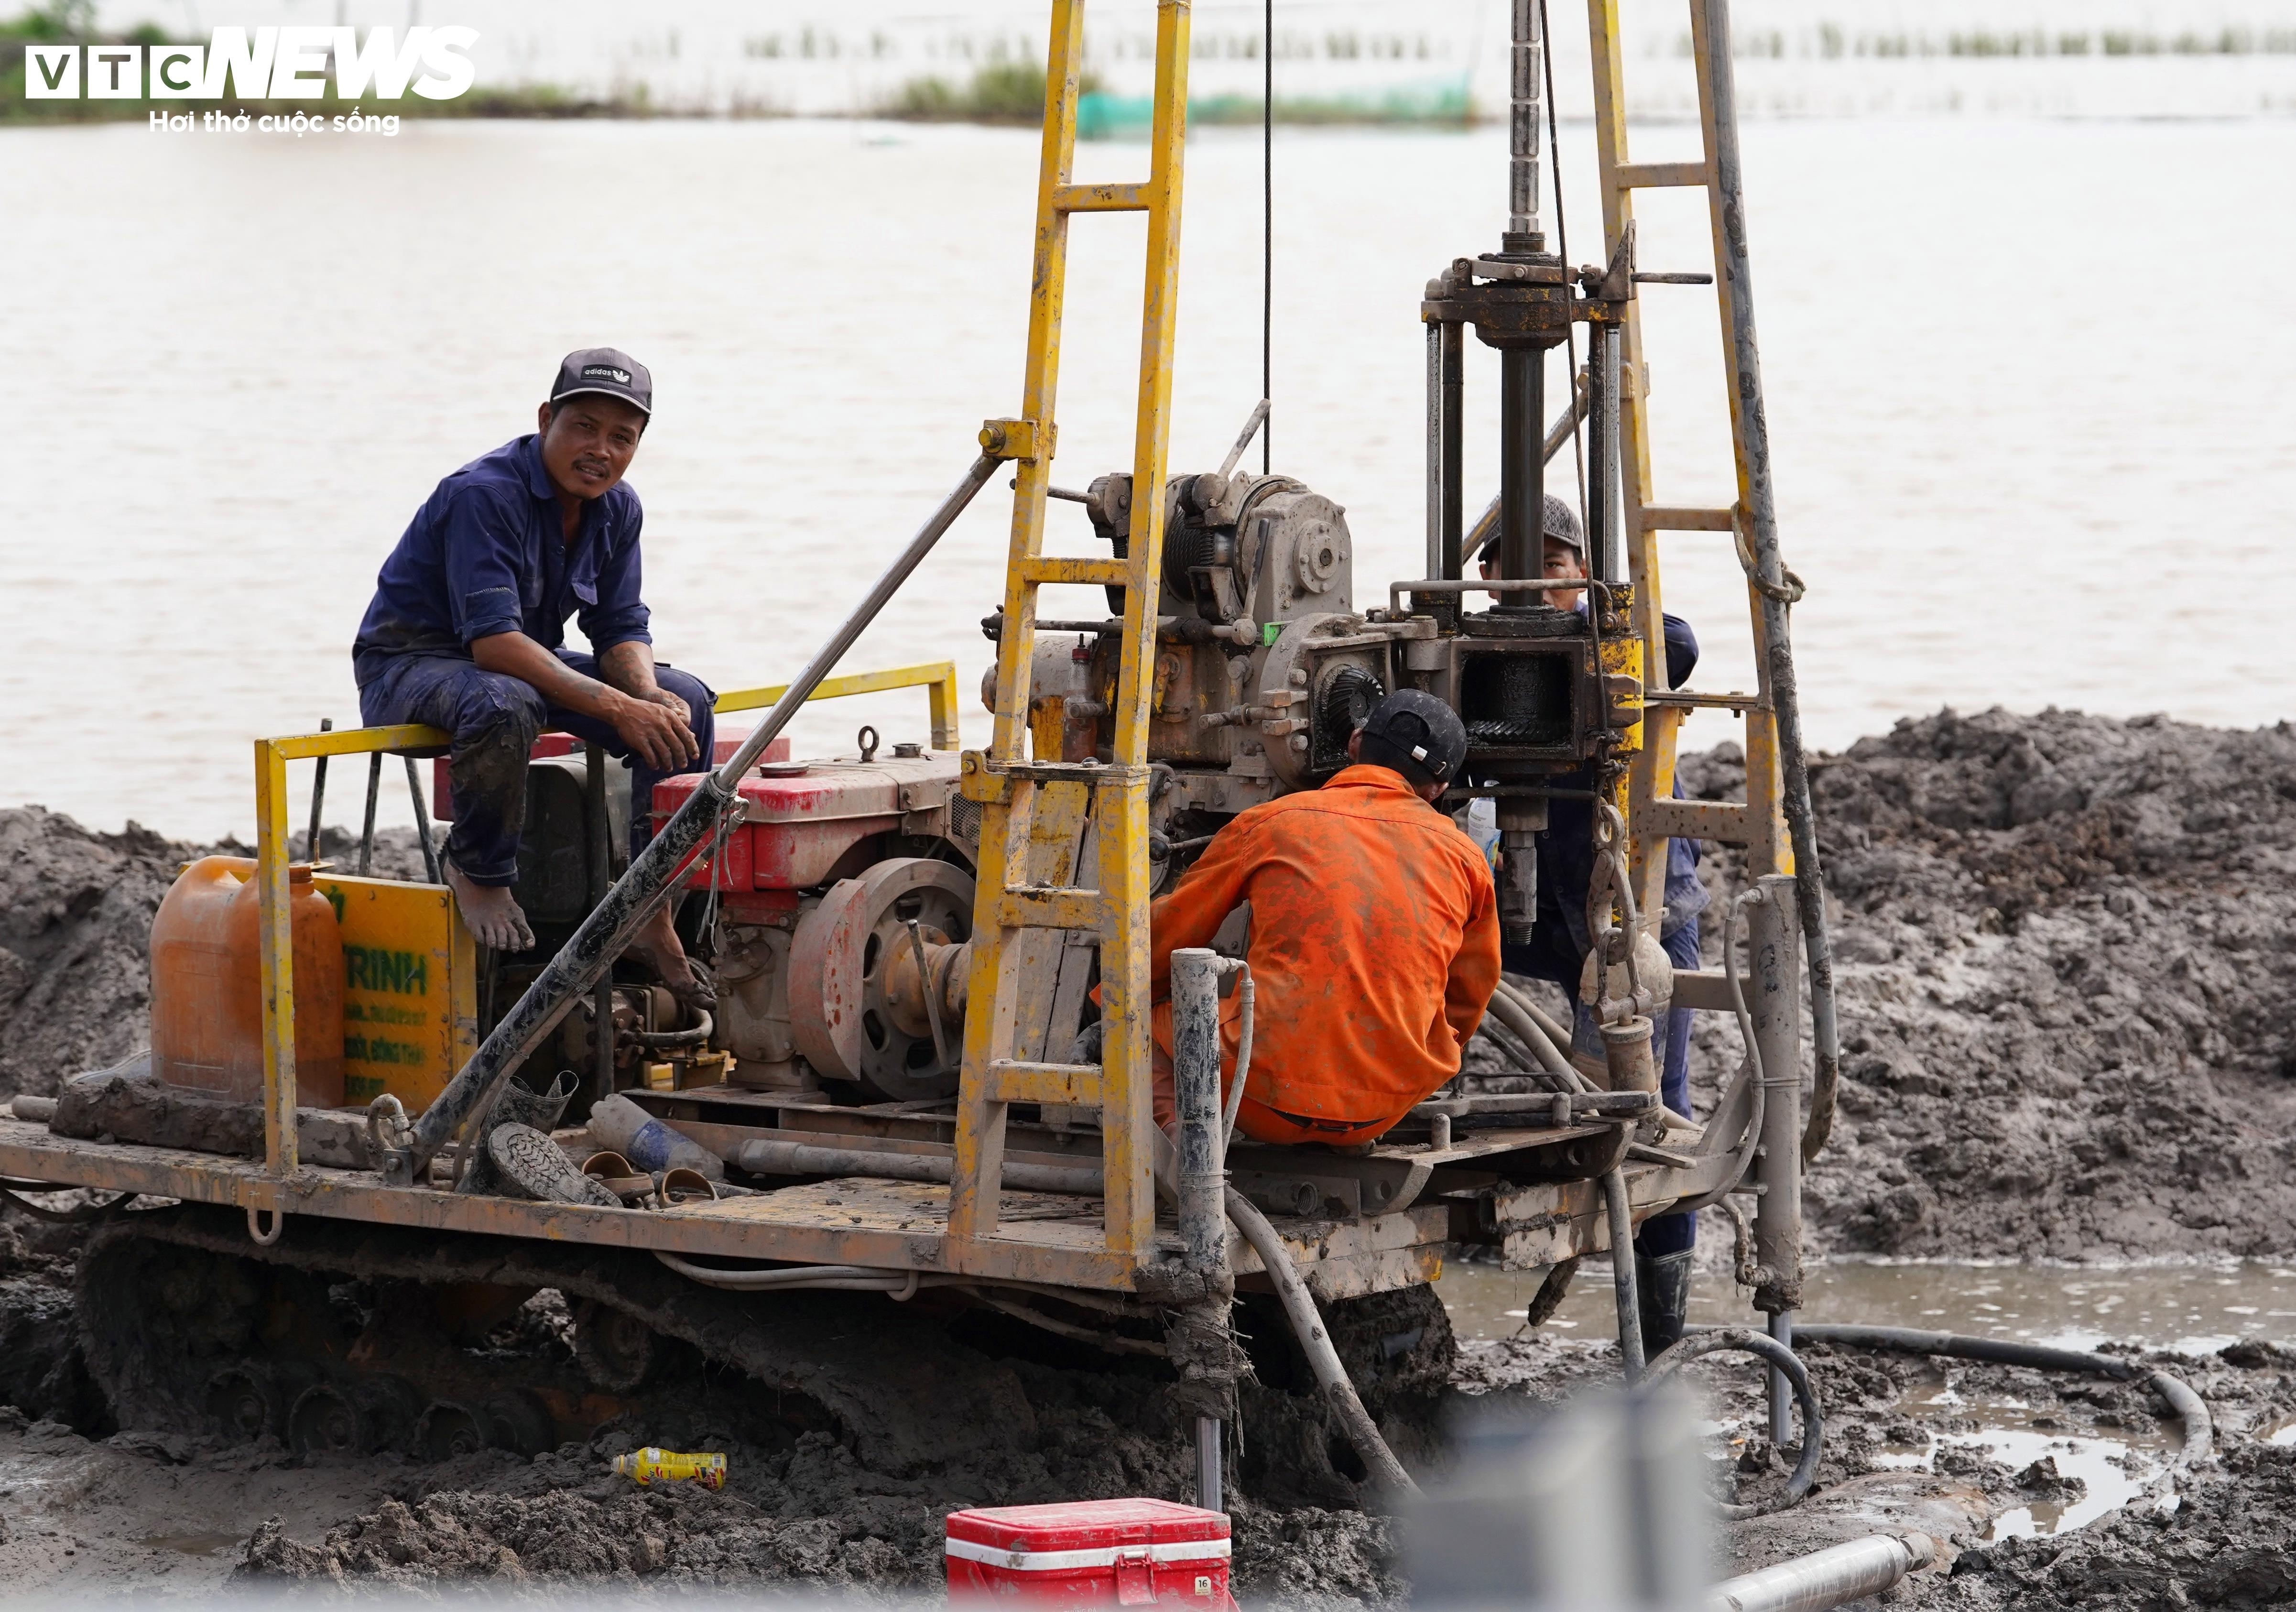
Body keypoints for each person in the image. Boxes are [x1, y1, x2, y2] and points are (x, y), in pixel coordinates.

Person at [351, 348, 715, 1007]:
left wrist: (645, 694)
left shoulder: (618, 508)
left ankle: (649, 900)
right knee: (506, 701)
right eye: (584, 428)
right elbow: (494, 644)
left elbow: (619, 625)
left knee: (685, 699)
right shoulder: (484, 494)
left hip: (519, 663)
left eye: (621, 437)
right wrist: (618, 709)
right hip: (410, 666)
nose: (600, 450)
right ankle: (479, 869)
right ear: (546, 419)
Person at [1475, 495, 1707, 1355]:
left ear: (1581, 573)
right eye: (1512, 564)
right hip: (1531, 902)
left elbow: (1677, 643)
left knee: (1650, 1105)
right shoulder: (1477, 655)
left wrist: (1579, 630)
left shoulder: (1618, 644)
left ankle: (1660, 1329)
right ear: (1485, 576)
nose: (1534, 580)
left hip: (1637, 904)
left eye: (1553, 564)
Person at [1146, 691, 1501, 1146]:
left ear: (1355, 743)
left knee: (1138, 1025)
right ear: (1438, 789)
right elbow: (1471, 993)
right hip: (1382, 1111)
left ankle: (1185, 1157)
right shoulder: (1467, 860)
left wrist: (1119, 999)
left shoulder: (1272, 822)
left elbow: (1168, 934)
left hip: (1258, 1099)